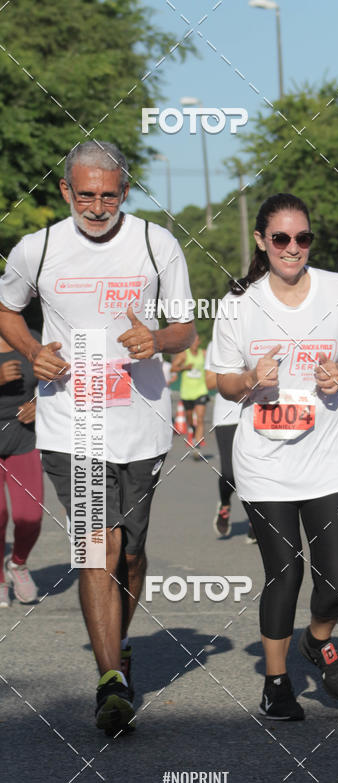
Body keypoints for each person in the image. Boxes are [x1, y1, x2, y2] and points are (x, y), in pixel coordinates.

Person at [0, 141, 195, 733]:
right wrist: (34, 352)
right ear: (65, 191)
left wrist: (156, 342)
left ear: (124, 191)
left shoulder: (156, 243)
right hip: (71, 423)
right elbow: (6, 309)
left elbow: (185, 328)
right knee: (98, 548)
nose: (97, 205)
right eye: (85, 194)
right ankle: (111, 680)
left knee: (130, 556)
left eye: (108, 194)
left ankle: (120, 644)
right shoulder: (37, 249)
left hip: (141, 423)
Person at [210, 193, 338, 721]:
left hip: (328, 458)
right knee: (284, 574)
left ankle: (317, 637)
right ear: (262, 241)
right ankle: (276, 682)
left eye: (302, 238)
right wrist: (250, 380)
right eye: (280, 238)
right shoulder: (240, 304)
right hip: (265, 463)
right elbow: (220, 378)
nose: (292, 248)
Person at [0, 332, 43, 608]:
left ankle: (18, 563)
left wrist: (41, 406)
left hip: (24, 439)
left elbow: (63, 387)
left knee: (31, 516)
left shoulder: (34, 342)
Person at [204, 341, 256, 542]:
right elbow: (209, 383)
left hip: (256, 414)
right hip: (227, 416)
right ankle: (225, 503)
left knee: (254, 472)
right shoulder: (217, 343)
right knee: (229, 474)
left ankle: (254, 518)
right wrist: (245, 375)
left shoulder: (260, 338)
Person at [171, 332, 210, 457]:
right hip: (187, 392)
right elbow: (173, 368)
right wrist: (184, 368)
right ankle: (192, 432)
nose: (195, 343)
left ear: (198, 342)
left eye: (197, 341)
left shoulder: (203, 354)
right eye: (192, 341)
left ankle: (197, 445)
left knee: (200, 418)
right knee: (189, 419)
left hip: (201, 390)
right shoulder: (183, 355)